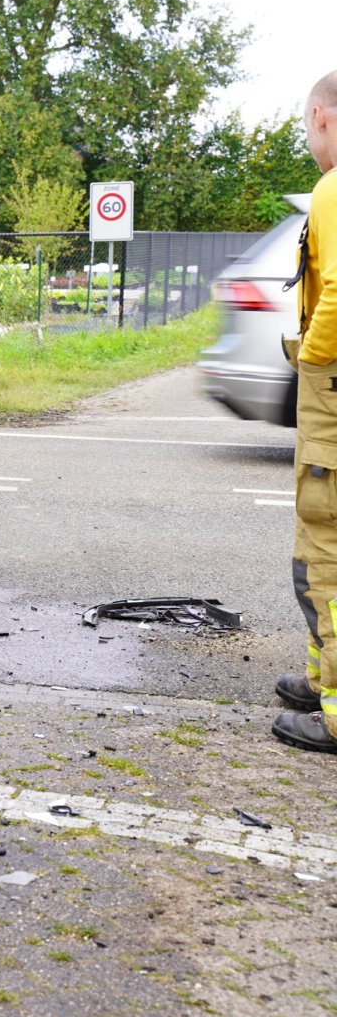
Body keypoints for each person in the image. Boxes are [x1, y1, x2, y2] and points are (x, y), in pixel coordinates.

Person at [277, 70, 337, 752]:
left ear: (322, 116)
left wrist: (314, 358)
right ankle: (322, 678)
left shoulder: (333, 188)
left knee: (324, 545)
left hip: (333, 384)